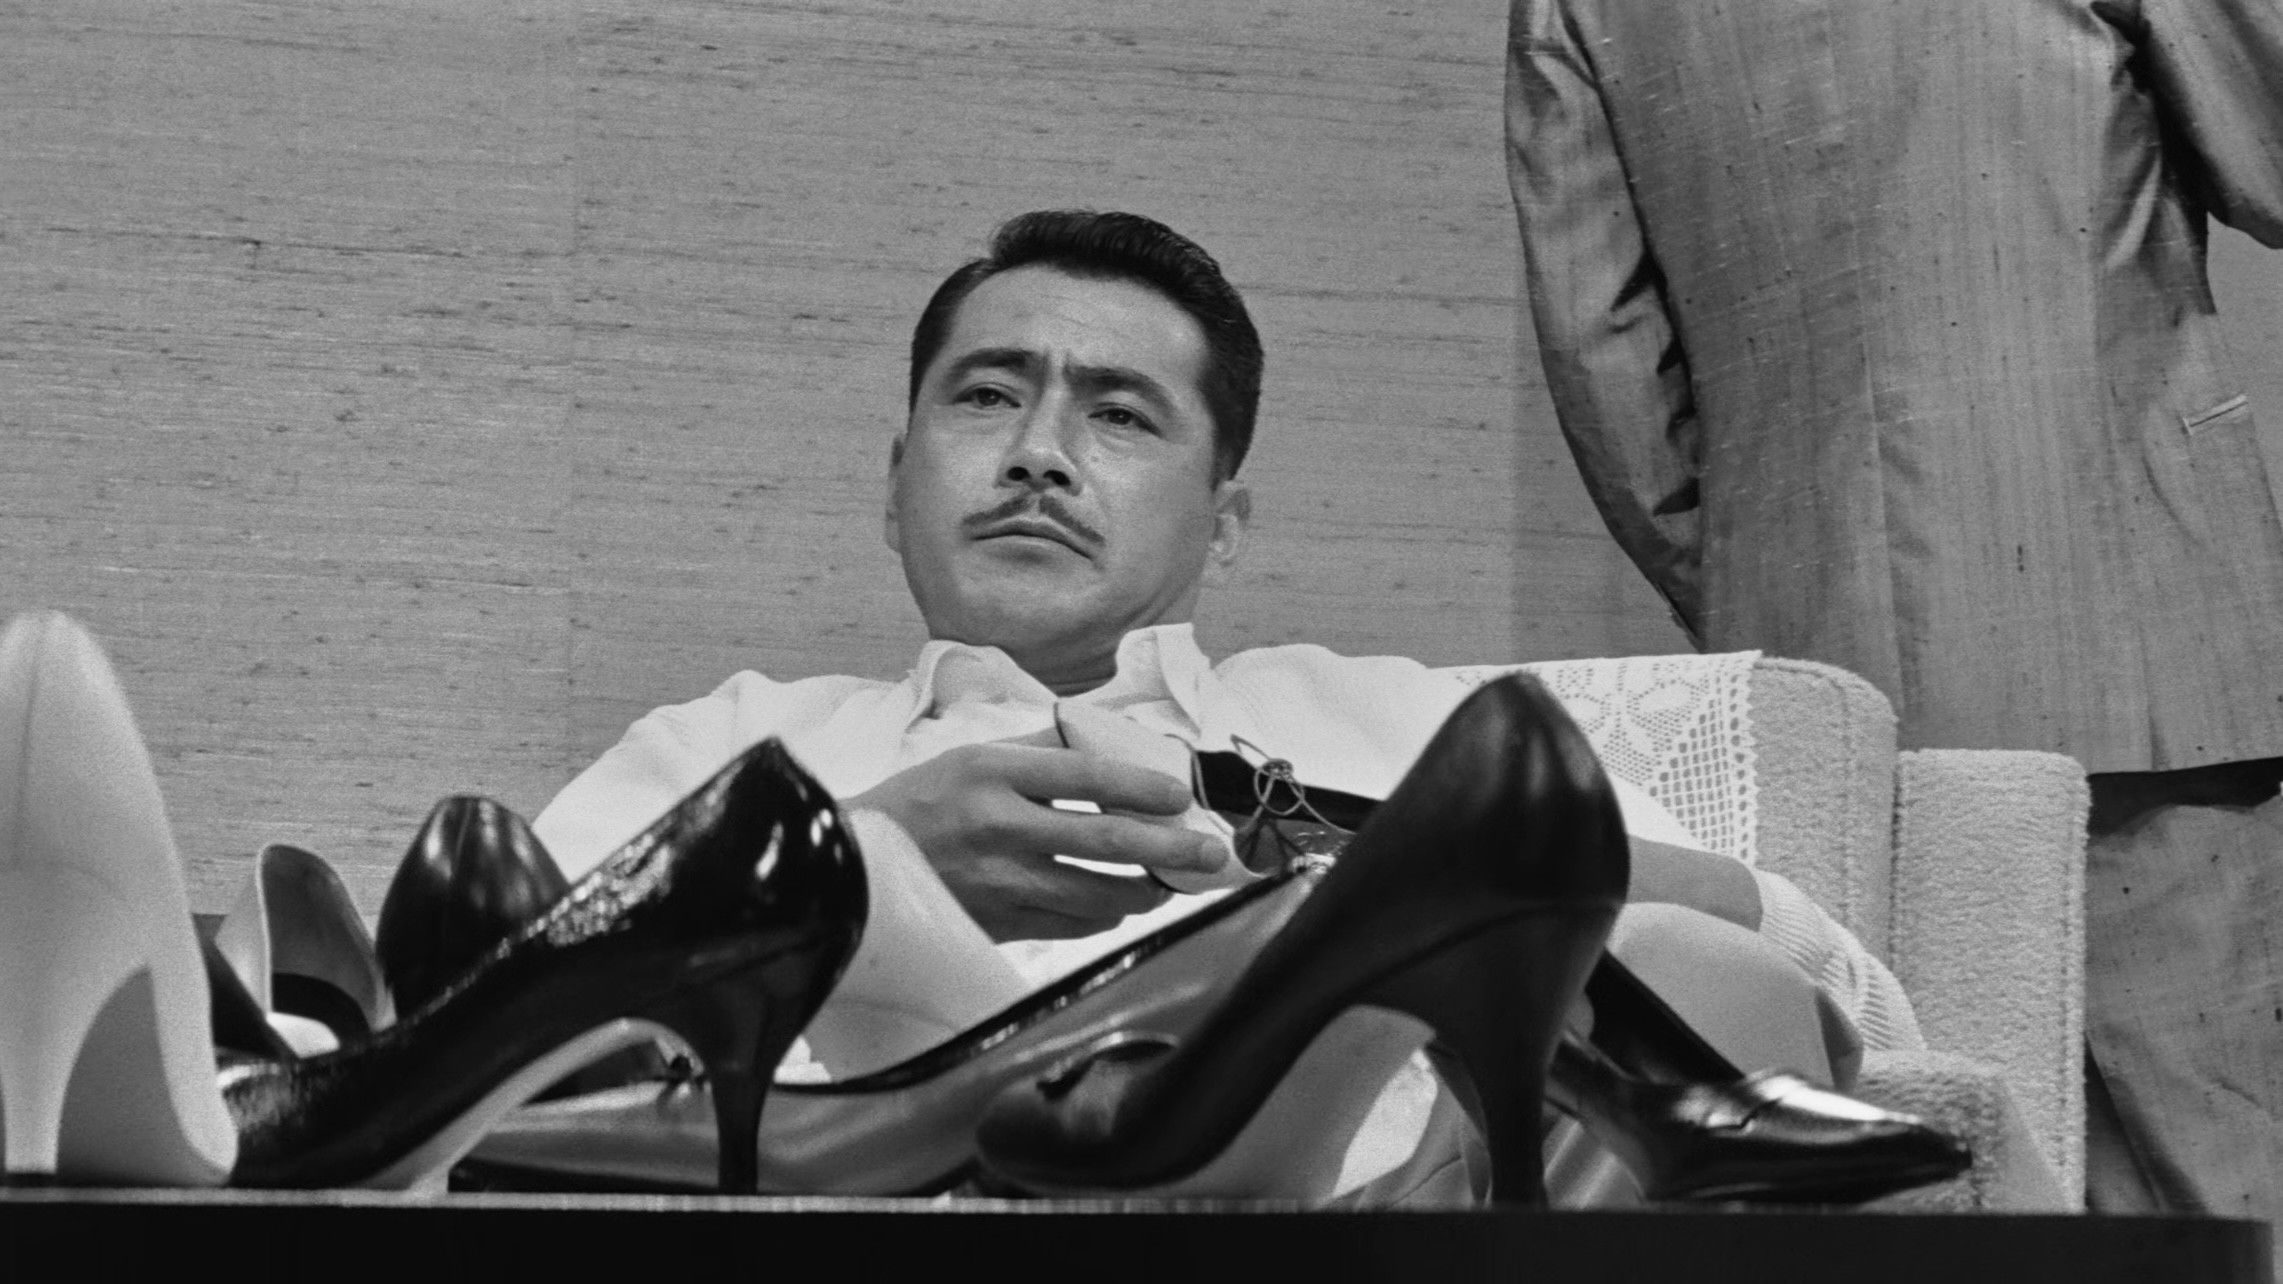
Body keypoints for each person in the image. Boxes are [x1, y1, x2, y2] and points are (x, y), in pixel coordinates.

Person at [528, 208, 1942, 1203]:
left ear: (1224, 521)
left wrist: (1410, 861)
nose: (1037, 455)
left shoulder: (1402, 725)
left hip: (1391, 1249)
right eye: (986, 397)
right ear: (892, 483)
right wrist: (849, 866)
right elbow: (465, 1059)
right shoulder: (731, 751)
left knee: (1689, 966)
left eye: (1118, 414)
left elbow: (1845, 1001)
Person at [1501, 0, 2283, 1230]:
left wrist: (1778, 581)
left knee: (1943, 1204)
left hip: (1834, 705)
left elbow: (1609, 372)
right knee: (2233, 1180)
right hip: (2144, 641)